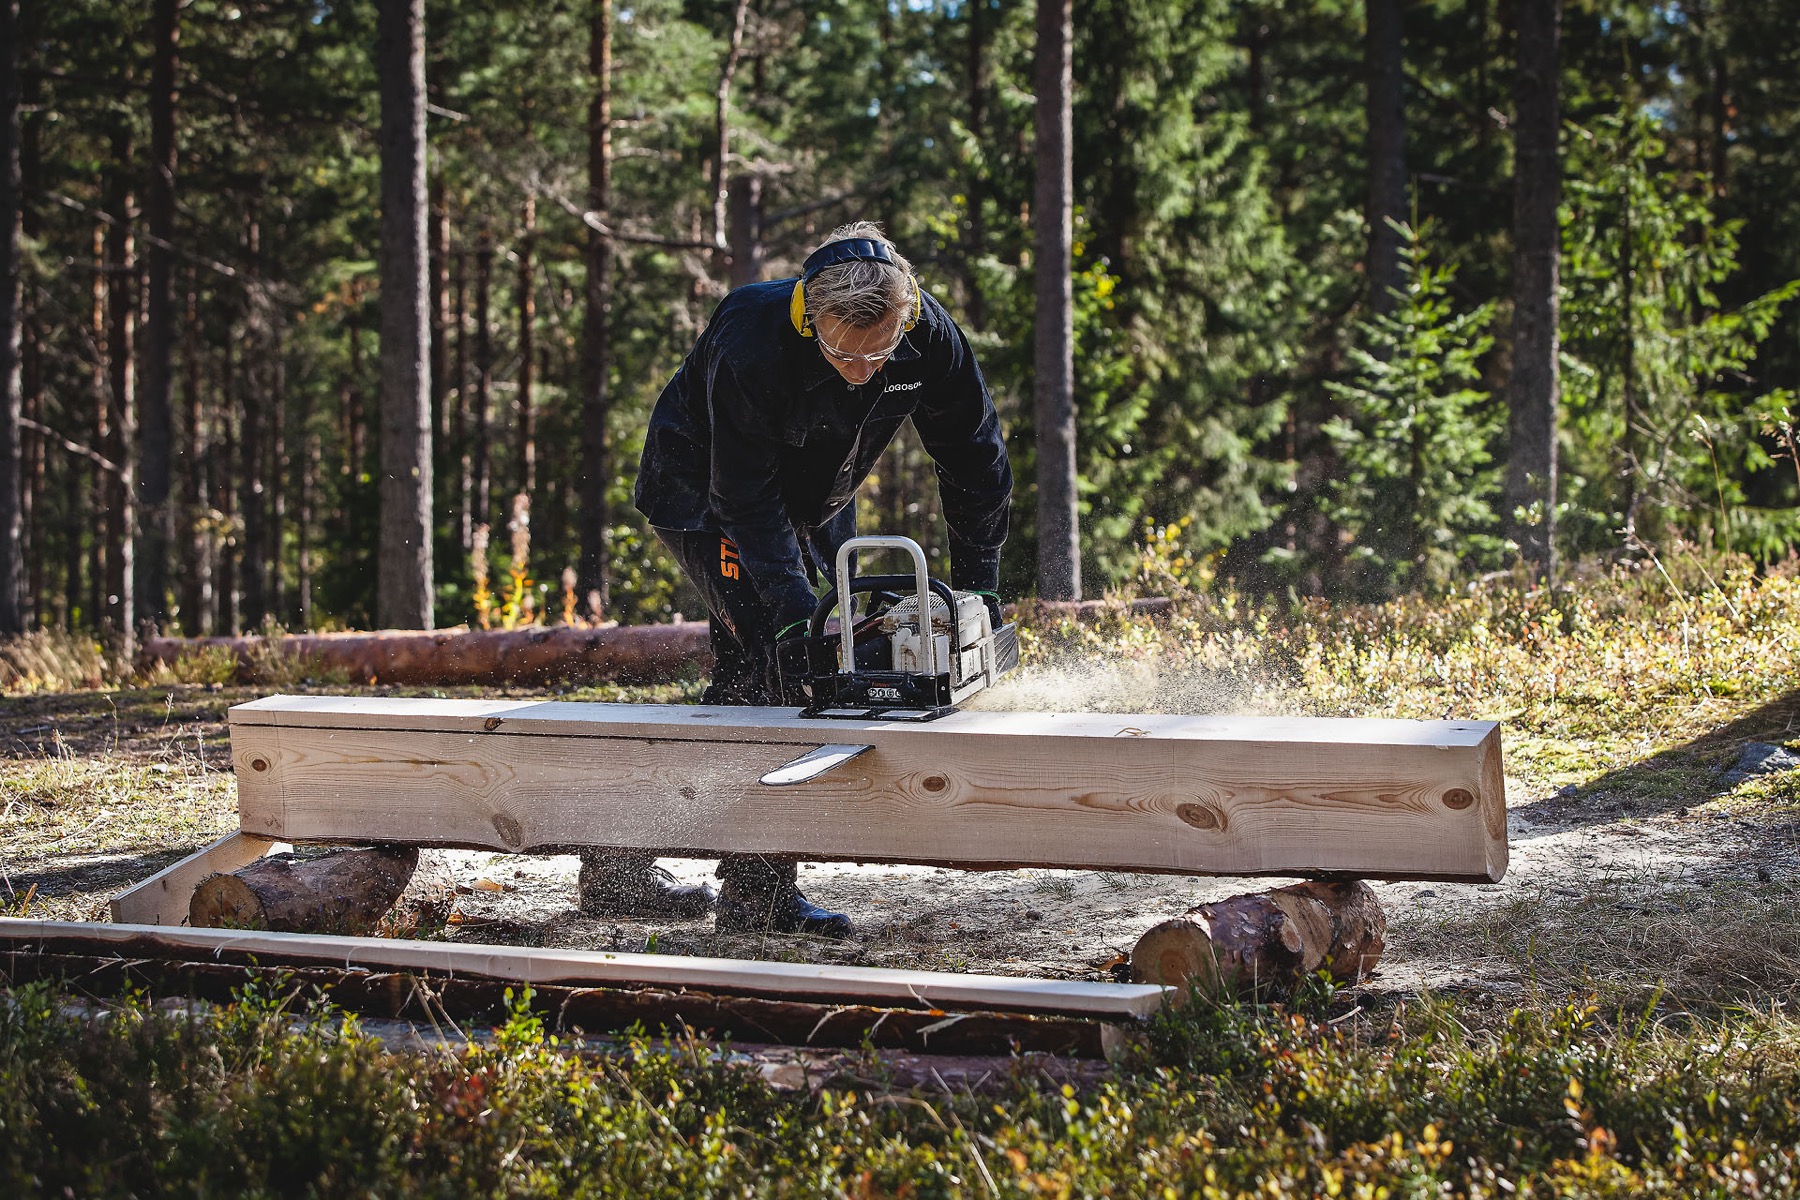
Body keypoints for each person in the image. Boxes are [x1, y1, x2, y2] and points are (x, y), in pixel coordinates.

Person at [579, 221, 1013, 937]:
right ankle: (757, 897)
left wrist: (979, 588)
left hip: (817, 495)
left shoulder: (929, 335)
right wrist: (791, 612)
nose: (865, 371)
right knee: (778, 665)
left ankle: (617, 863)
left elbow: (975, 457)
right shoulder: (750, 337)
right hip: (706, 491)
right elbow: (743, 494)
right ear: (812, 318)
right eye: (846, 354)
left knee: (778, 667)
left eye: (883, 355)